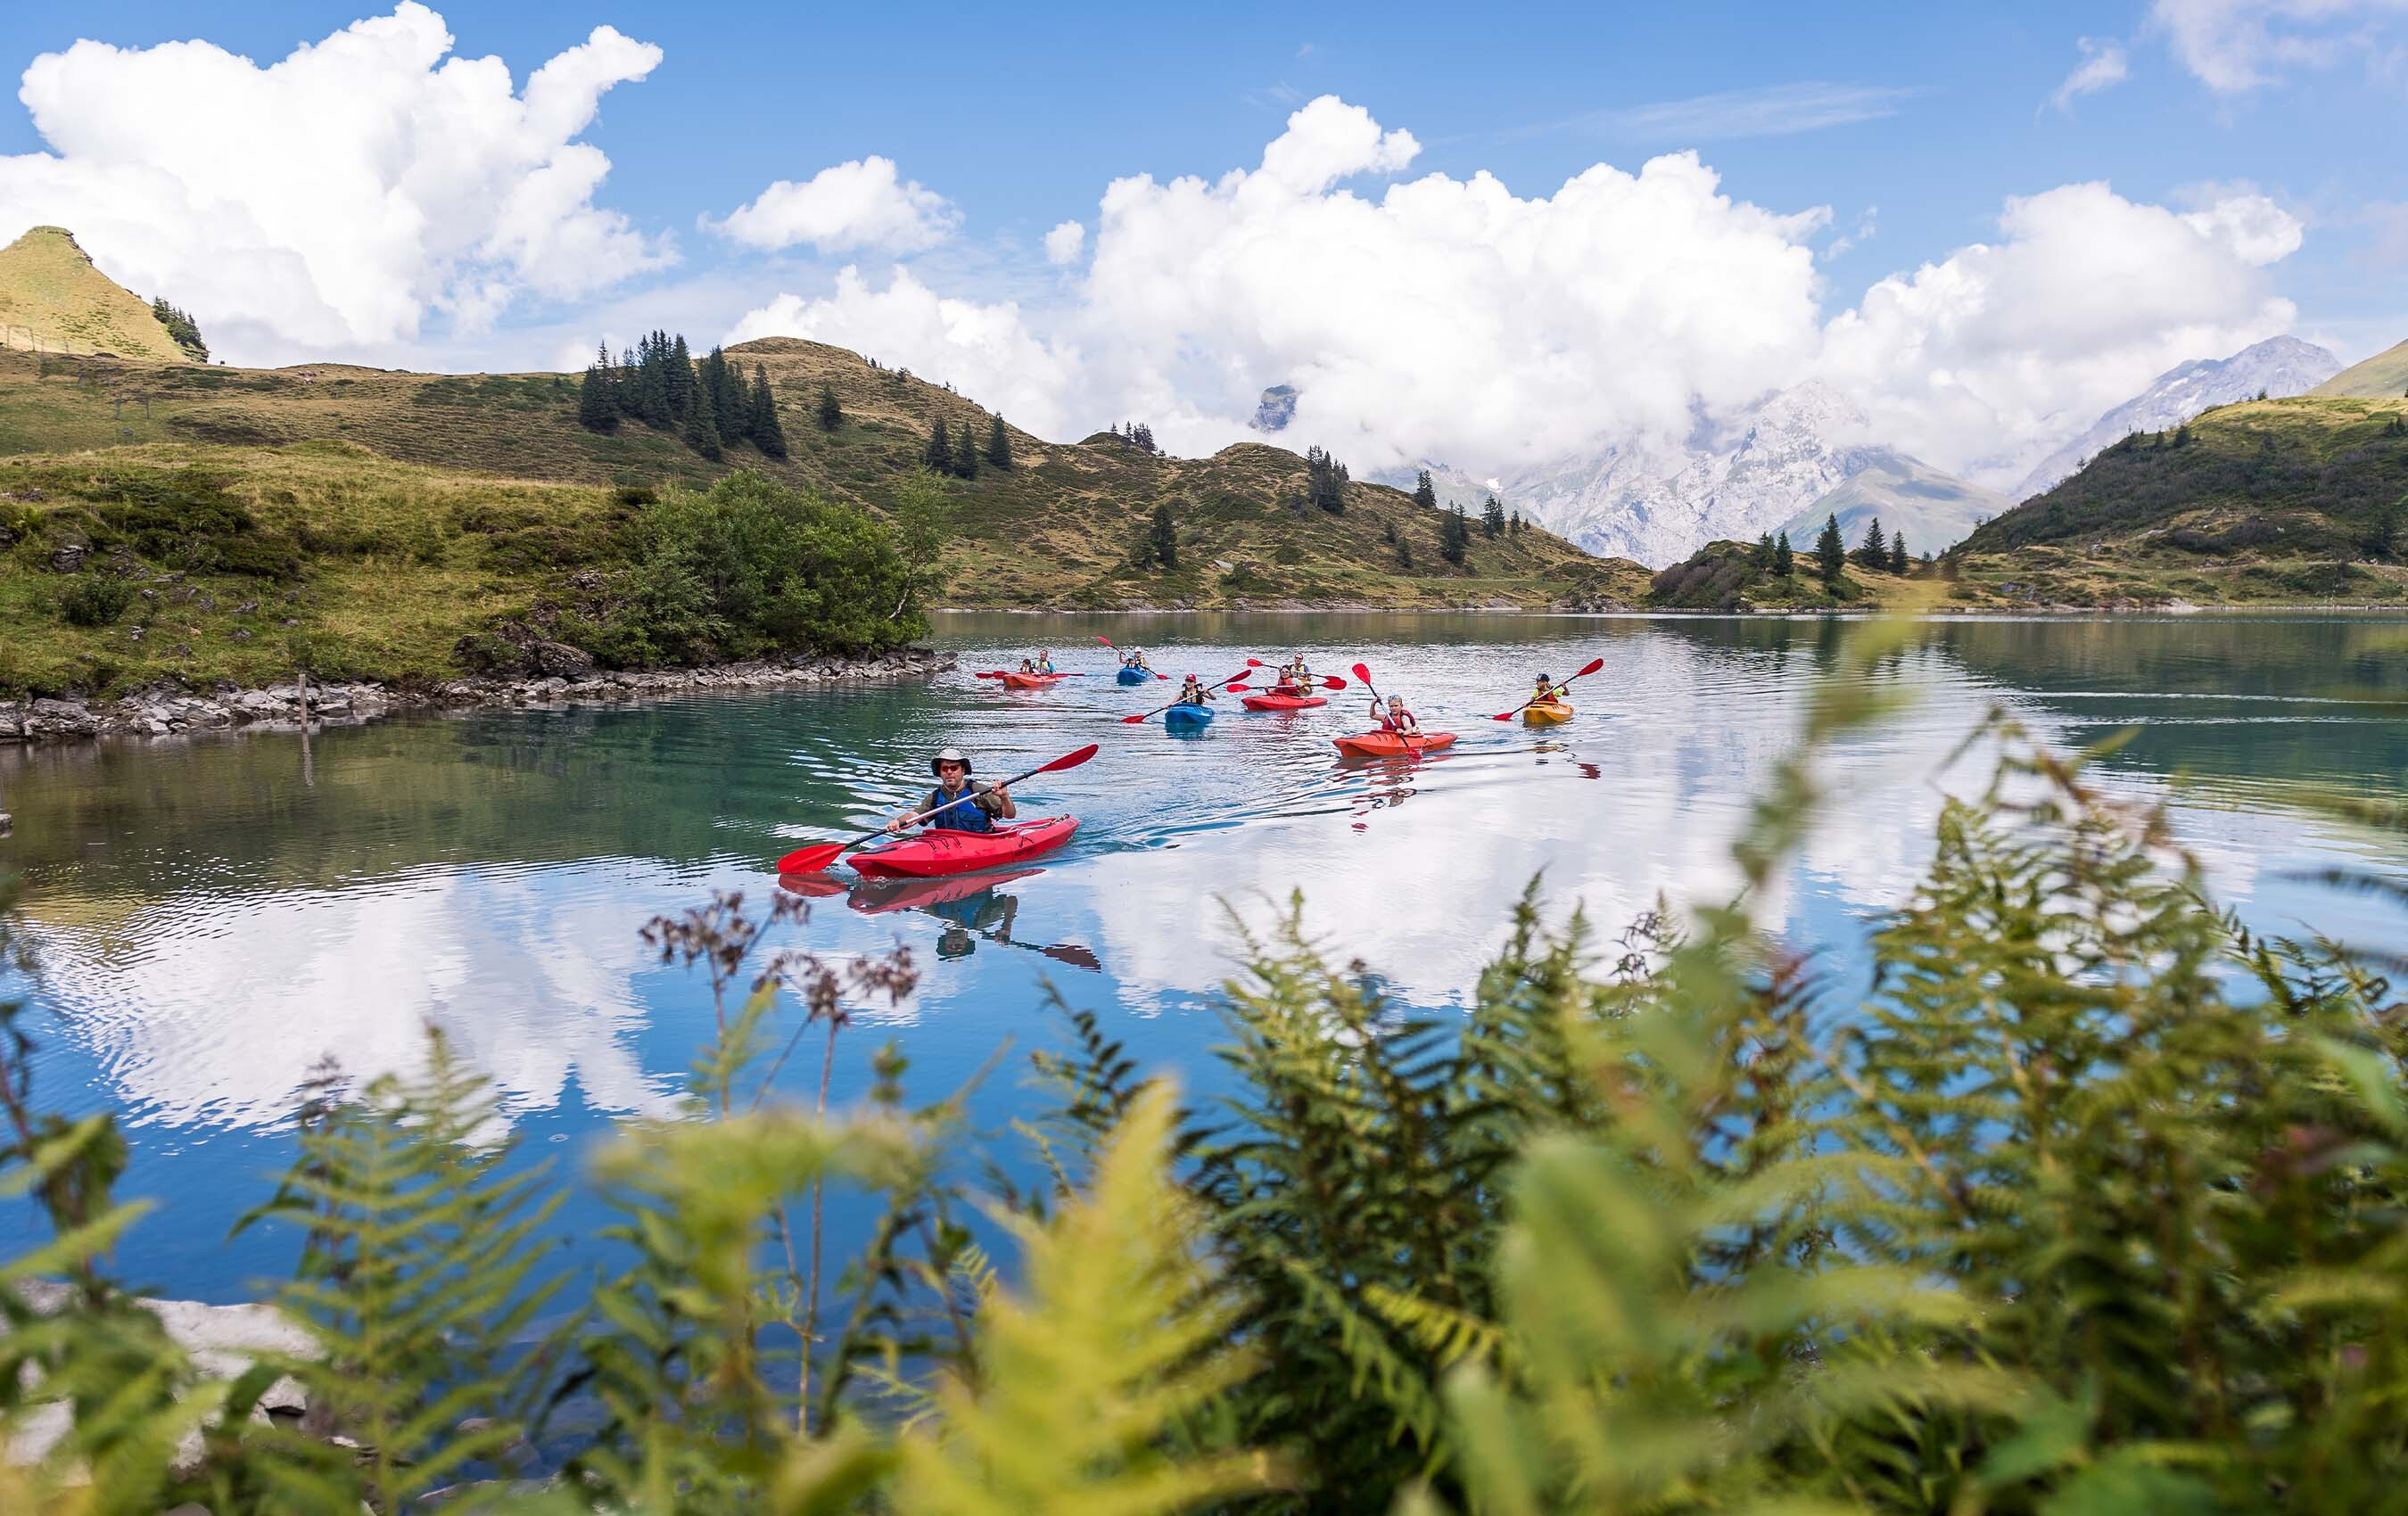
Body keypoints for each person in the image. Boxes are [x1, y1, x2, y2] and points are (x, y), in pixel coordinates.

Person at [889, 746, 1014, 835]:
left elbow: (1009, 815)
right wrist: (897, 821)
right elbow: (914, 816)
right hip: (946, 845)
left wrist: (1004, 797)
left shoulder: (979, 791)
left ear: (963, 771)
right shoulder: (935, 797)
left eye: (954, 768)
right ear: (940, 772)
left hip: (981, 843)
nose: (949, 772)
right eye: (945, 769)